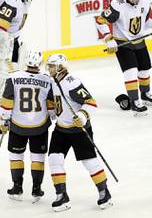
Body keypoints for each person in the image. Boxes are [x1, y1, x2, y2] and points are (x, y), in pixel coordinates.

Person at [46, 54, 113, 212]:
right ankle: (61, 195)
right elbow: (53, 100)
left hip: (79, 131)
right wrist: (52, 113)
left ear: (60, 67)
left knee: (89, 161)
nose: (49, 68)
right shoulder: (53, 81)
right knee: (54, 159)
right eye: (48, 65)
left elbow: (91, 102)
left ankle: (104, 192)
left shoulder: (72, 83)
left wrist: (83, 116)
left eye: (51, 66)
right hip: (61, 129)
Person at [96, 0, 152, 116]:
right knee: (130, 72)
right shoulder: (117, 5)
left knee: (145, 69)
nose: (136, 0)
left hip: (139, 41)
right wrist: (108, 38)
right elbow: (100, 21)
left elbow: (146, 21)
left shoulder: (144, 2)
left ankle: (145, 94)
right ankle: (135, 101)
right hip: (123, 43)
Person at [0, 50, 54, 202]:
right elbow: (51, 105)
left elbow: (6, 102)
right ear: (40, 64)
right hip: (40, 126)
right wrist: (54, 117)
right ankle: (37, 189)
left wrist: (4, 120)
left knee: (16, 156)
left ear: (26, 62)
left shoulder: (13, 77)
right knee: (38, 158)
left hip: (18, 125)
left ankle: (17, 188)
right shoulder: (48, 80)